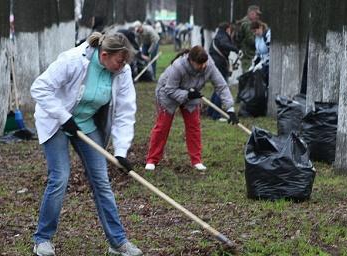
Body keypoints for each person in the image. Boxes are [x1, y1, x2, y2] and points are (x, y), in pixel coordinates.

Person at [30, 32, 143, 256]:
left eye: (125, 61)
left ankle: (117, 242)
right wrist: (63, 117)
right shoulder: (73, 60)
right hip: (56, 121)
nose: (123, 66)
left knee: (101, 180)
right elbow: (39, 87)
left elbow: (124, 112)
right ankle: (42, 239)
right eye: (120, 61)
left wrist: (121, 151)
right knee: (60, 177)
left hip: (85, 124)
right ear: (104, 55)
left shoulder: (122, 72)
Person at [144, 46, 239, 171]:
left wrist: (230, 108)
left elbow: (221, 86)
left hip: (193, 92)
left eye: (204, 63)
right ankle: (152, 159)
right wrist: (186, 94)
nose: (203, 66)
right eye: (200, 64)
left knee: (194, 126)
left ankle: (196, 160)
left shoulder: (209, 65)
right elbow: (170, 89)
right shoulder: (178, 67)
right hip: (168, 93)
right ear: (191, 61)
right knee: (162, 126)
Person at [207, 22, 239, 121]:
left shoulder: (219, 35)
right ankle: (216, 115)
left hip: (216, 63)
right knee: (221, 87)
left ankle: (211, 111)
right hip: (219, 64)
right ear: (227, 29)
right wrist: (236, 49)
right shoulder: (223, 36)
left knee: (218, 88)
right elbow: (224, 44)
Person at [234, 5, 262, 71]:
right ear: (250, 13)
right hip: (248, 55)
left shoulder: (245, 22)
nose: (258, 17)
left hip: (247, 54)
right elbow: (251, 41)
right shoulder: (247, 24)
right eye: (256, 14)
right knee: (248, 76)